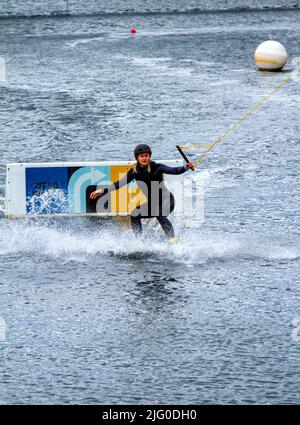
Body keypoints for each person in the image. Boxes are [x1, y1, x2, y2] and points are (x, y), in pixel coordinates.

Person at [90, 144, 194, 241]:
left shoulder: (157, 167)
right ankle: (139, 241)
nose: (144, 158)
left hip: (167, 200)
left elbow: (174, 170)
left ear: (149, 157)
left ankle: (173, 240)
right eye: (142, 156)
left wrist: (186, 167)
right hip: (153, 204)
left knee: (159, 214)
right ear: (137, 158)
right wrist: (102, 190)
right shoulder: (134, 171)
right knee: (135, 213)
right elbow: (119, 184)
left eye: (146, 156)